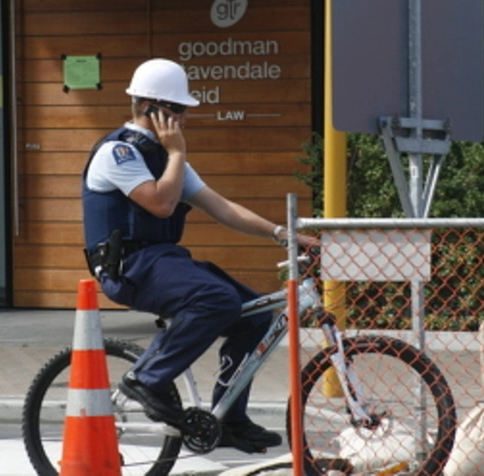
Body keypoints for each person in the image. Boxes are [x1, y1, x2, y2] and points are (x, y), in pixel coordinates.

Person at [82, 58, 314, 454]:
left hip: (163, 261)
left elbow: (222, 208)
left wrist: (283, 235)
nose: (185, 119)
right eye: (180, 110)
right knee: (215, 299)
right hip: (130, 268)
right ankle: (145, 379)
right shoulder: (118, 153)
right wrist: (176, 153)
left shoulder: (167, 158)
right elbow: (160, 204)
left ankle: (230, 420)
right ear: (153, 108)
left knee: (256, 313)